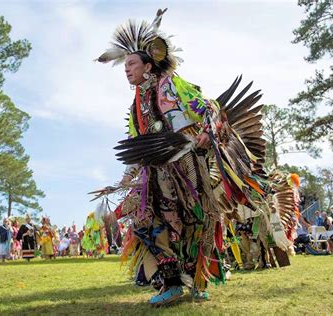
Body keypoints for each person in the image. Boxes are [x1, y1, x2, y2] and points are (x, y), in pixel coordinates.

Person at [96, 8, 228, 305]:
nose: (126, 69)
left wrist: (209, 131)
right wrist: (123, 180)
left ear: (147, 64)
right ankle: (171, 283)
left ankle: (197, 280)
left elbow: (210, 107)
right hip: (154, 173)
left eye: (131, 64)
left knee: (196, 218)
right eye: (124, 65)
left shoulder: (168, 85)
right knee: (146, 220)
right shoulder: (135, 105)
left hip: (185, 165)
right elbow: (137, 145)